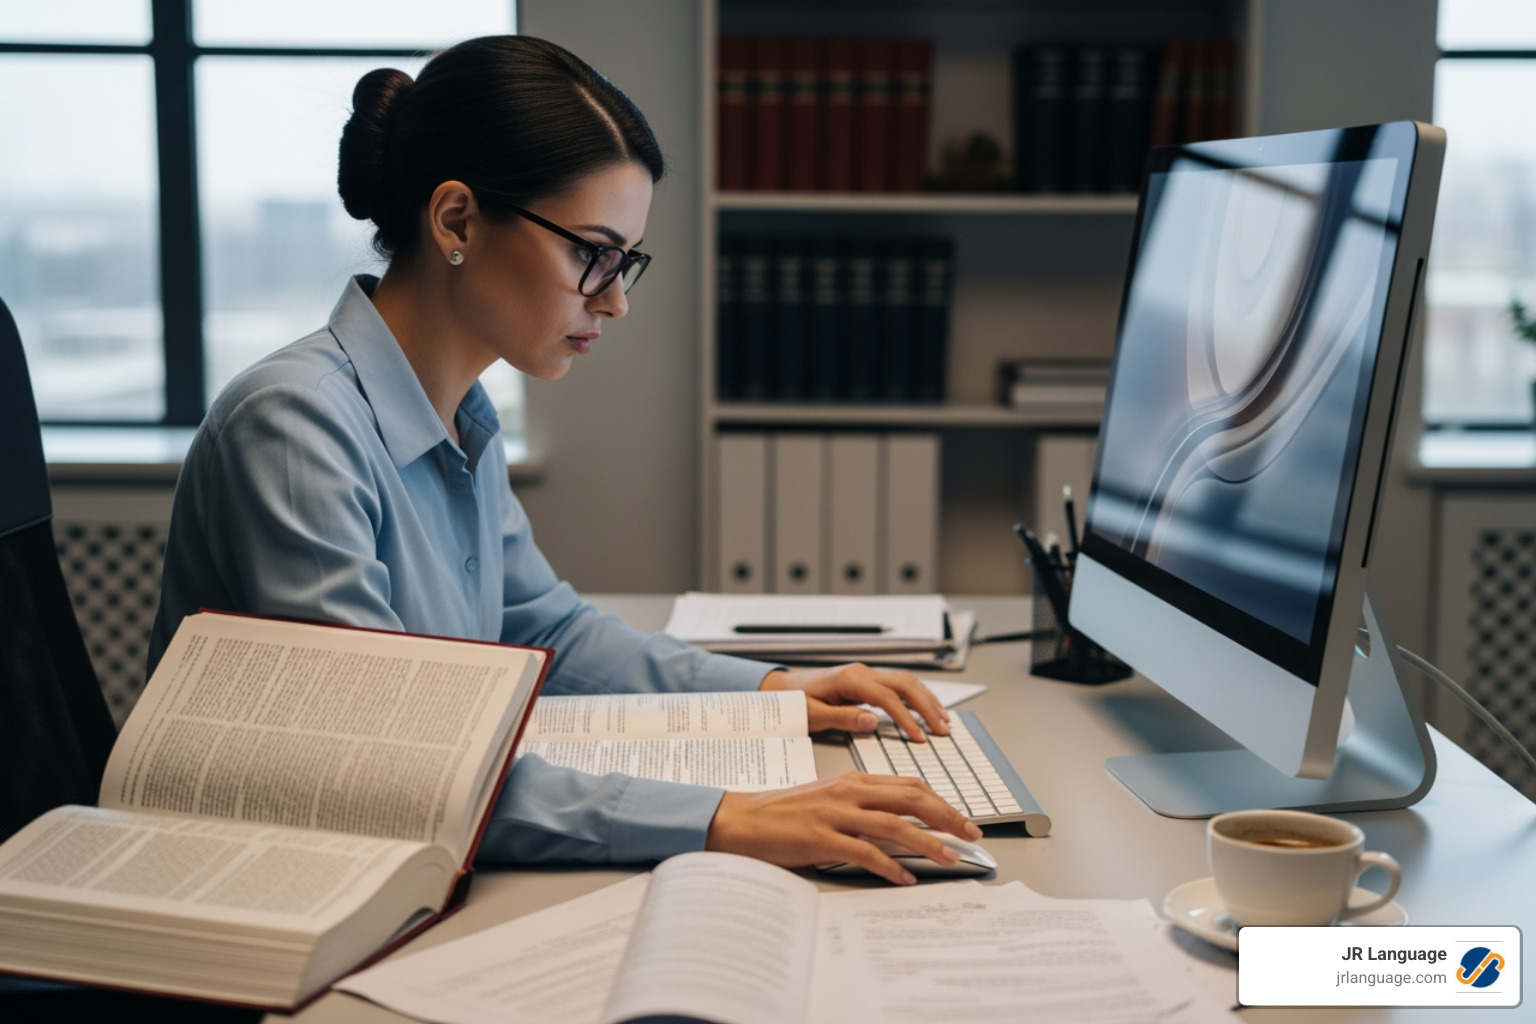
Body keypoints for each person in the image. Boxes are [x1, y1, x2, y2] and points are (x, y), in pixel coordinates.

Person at [149, 35, 978, 886]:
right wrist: (726, 818)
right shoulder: (295, 426)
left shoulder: (463, 414)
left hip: (402, 874)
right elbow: (391, 764)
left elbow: (545, 631)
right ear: (457, 220)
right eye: (592, 252)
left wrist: (770, 691)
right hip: (272, 899)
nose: (615, 301)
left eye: (626, 261)